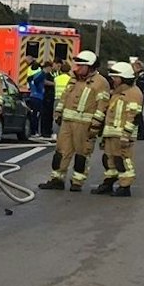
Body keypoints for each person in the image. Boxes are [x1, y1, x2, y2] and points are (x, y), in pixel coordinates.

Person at [39, 51, 108, 192]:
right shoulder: (73, 79)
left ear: (90, 67)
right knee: (61, 152)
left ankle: (77, 182)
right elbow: (64, 97)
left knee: (82, 154)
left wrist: (96, 125)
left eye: (81, 65)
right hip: (67, 123)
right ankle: (57, 179)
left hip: (85, 126)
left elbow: (102, 105)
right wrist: (58, 113)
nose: (77, 68)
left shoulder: (101, 83)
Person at [97, 61, 143, 197]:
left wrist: (126, 135)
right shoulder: (118, 93)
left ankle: (125, 186)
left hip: (122, 135)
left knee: (122, 160)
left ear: (124, 78)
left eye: (115, 78)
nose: (113, 80)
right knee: (109, 159)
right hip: (112, 133)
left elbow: (133, 116)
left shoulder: (133, 93)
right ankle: (109, 183)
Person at [27, 59, 55, 139]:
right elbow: (36, 81)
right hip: (37, 97)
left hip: (35, 96)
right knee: (36, 115)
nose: (50, 70)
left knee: (35, 115)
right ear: (47, 67)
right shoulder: (42, 74)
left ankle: (34, 131)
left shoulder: (38, 73)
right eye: (50, 68)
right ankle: (34, 132)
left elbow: (30, 79)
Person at [130, 57, 144, 140]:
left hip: (139, 96)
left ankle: (141, 133)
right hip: (136, 96)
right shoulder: (137, 75)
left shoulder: (142, 75)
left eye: (134, 67)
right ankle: (138, 132)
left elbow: (141, 85)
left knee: (138, 114)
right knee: (137, 114)